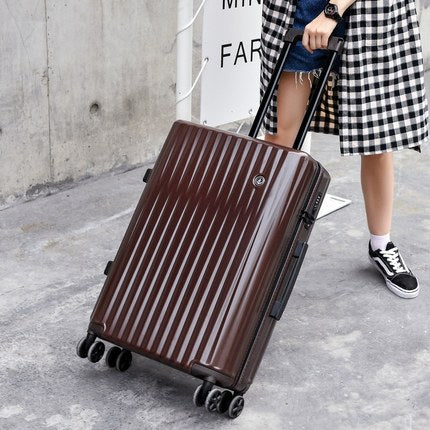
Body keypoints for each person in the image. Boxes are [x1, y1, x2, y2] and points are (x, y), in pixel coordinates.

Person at [260, 0, 429, 299]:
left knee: (377, 137)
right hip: (300, 9)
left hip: (371, 13)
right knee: (280, 137)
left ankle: (381, 245)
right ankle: (262, 242)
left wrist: (333, 10)